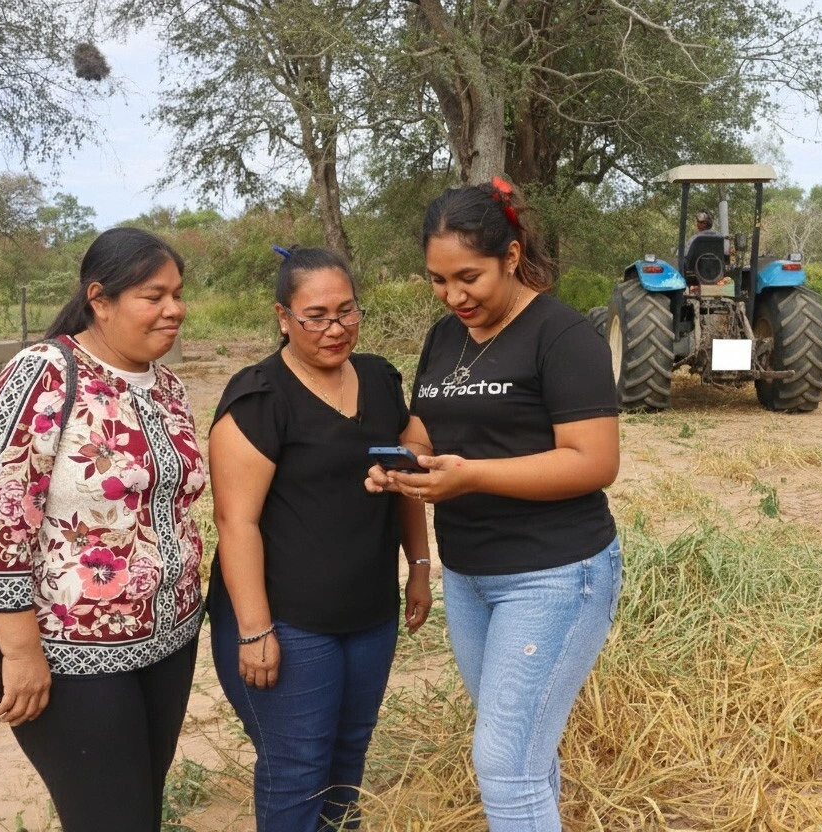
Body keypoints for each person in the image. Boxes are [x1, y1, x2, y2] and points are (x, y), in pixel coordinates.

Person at [365, 177, 622, 832]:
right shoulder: (445, 338)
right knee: (524, 755)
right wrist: (398, 468)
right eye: (437, 280)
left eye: (468, 277)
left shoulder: (562, 337)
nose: (454, 297)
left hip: (555, 573)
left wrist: (473, 477)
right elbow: (426, 430)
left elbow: (593, 462)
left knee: (504, 763)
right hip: (472, 575)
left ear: (512, 255)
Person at [0, 227, 207, 832]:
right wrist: (20, 652)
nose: (174, 309)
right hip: (73, 655)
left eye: (177, 293)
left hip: (169, 640)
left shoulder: (167, 386)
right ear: (100, 298)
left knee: (143, 806)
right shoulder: (43, 374)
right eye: (154, 295)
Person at [207, 246, 432, 831]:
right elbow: (236, 522)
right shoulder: (259, 398)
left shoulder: (381, 379)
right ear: (283, 316)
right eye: (316, 316)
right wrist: (255, 628)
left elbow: (413, 462)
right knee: (298, 768)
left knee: (348, 757)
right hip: (289, 621)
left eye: (347, 311)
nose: (336, 329)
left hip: (368, 612)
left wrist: (421, 566)